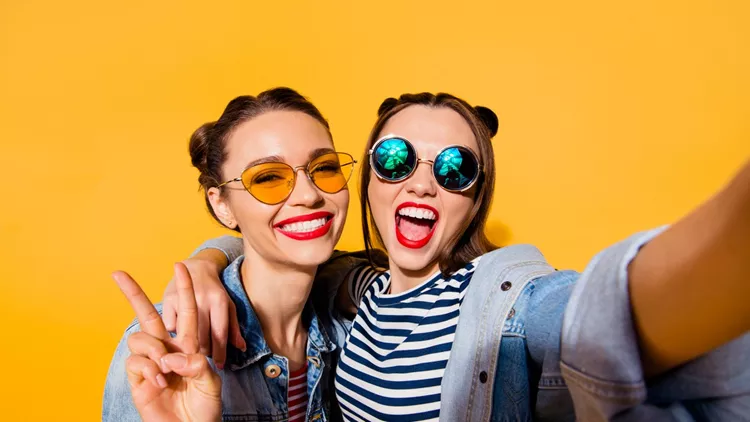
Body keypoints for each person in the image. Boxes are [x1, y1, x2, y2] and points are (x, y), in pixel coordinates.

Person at [163, 92, 750, 421]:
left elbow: (599, 310)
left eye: (454, 169)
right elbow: (272, 244)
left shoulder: (506, 307)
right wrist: (207, 263)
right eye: (395, 159)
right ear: (367, 178)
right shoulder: (350, 291)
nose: (421, 184)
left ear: (474, 201)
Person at [103, 87, 366, 421]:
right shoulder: (170, 349)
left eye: (325, 167)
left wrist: (209, 257)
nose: (308, 194)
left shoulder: (354, 328)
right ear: (222, 205)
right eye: (268, 177)